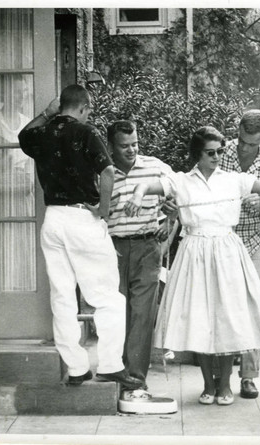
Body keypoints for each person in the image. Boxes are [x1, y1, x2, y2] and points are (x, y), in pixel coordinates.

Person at [124, 126, 260, 406]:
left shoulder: (232, 180)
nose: (218, 156)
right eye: (211, 152)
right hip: (194, 251)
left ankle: (226, 385)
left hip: (226, 252)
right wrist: (137, 196)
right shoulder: (182, 181)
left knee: (225, 319)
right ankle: (208, 385)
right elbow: (146, 185)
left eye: (221, 151)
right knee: (201, 320)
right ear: (197, 154)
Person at [18, 85, 142, 389]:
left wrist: (47, 113)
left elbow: (23, 136)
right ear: (85, 107)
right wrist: (103, 210)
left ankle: (75, 368)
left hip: (54, 219)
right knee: (107, 297)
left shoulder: (43, 133)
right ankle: (111, 365)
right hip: (82, 219)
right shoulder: (86, 132)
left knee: (61, 297)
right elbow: (109, 172)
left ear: (61, 106)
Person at [219, 109, 260, 399]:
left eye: (252, 143)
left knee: (256, 309)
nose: (244, 147)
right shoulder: (220, 154)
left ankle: (248, 377)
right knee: (221, 308)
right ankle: (219, 377)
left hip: (257, 242)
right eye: (241, 141)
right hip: (223, 241)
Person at [107, 120, 173, 394]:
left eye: (135, 143)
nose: (132, 150)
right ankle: (114, 369)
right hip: (113, 249)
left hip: (147, 247)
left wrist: (170, 217)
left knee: (142, 314)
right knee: (115, 311)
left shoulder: (154, 166)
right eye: (124, 146)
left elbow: (180, 188)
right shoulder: (103, 171)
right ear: (111, 147)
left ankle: (135, 378)